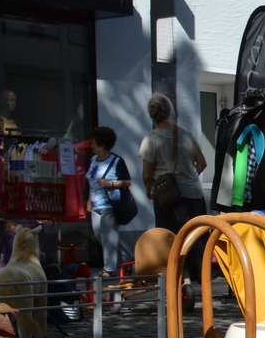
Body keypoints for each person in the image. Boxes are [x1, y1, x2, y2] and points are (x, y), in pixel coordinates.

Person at [139, 92, 207, 289]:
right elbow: (202, 163)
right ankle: (201, 276)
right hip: (193, 194)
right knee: (195, 236)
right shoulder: (185, 134)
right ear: (169, 111)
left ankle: (181, 279)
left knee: (171, 237)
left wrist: (149, 189)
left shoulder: (151, 138)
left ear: (151, 115)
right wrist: (189, 176)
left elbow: (146, 174)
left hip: (167, 197)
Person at [84, 127, 133, 275]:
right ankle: (125, 256)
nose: (91, 146)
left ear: (102, 145)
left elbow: (127, 182)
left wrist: (110, 184)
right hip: (96, 205)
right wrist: (89, 200)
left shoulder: (117, 161)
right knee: (100, 236)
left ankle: (109, 269)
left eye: (94, 143)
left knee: (108, 237)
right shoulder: (93, 160)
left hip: (111, 204)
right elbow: (91, 181)